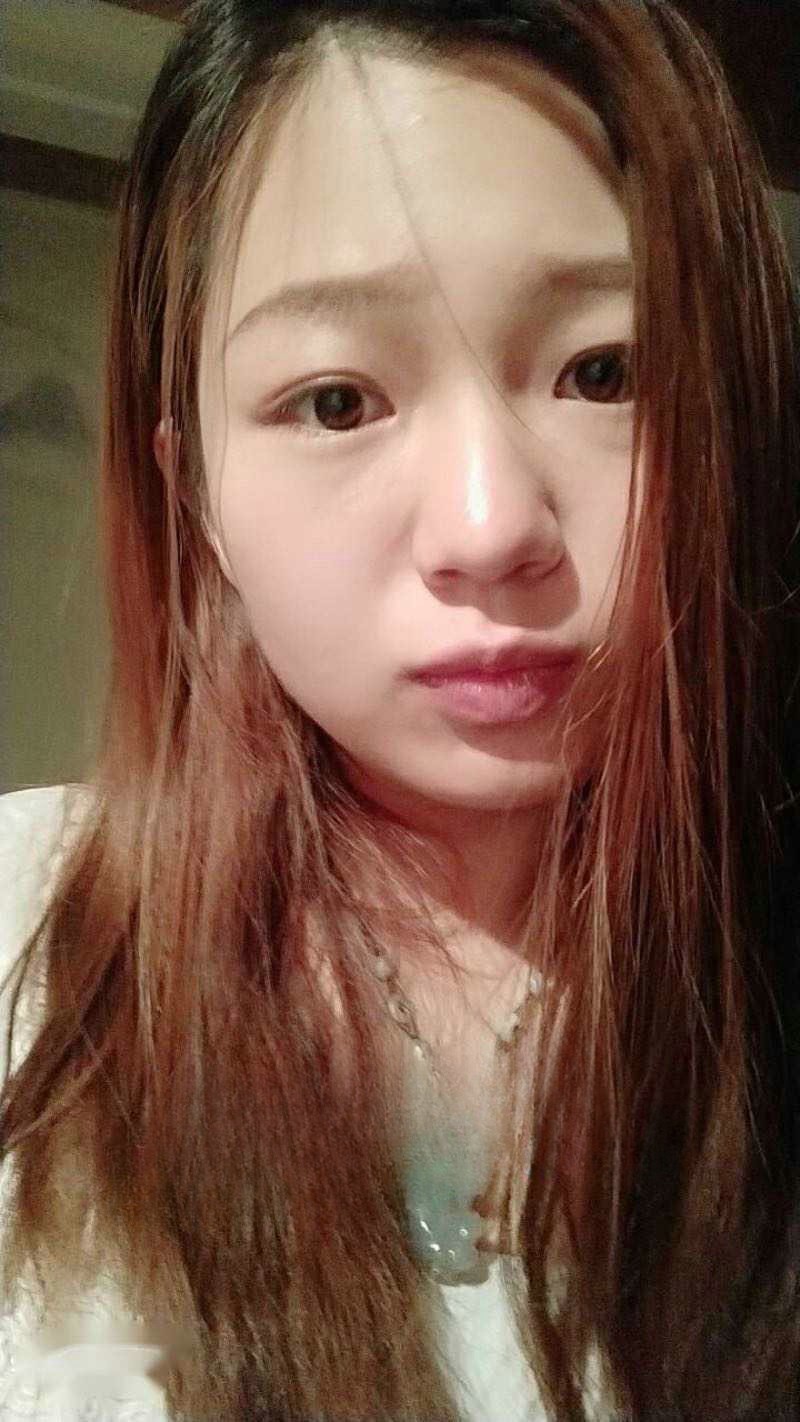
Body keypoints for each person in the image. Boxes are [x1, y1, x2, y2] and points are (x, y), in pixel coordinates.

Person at [1, 0, 799, 1417]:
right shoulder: (24, 942)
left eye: (604, 372)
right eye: (335, 401)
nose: (490, 529)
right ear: (197, 495)